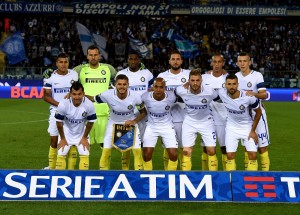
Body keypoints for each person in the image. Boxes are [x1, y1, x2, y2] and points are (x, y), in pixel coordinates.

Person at [87, 74, 146, 170]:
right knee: (106, 151)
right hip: (113, 124)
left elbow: (144, 112)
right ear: (115, 85)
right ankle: (104, 176)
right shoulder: (107, 94)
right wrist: (75, 95)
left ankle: (138, 178)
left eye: (124, 84)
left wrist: (134, 121)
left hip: (130, 124)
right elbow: (91, 98)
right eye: (119, 84)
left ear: (128, 85)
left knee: (137, 151)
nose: (122, 87)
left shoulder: (136, 97)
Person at [73, 45, 117, 149]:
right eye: (90, 55)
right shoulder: (80, 70)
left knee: (105, 145)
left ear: (99, 56)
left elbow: (119, 82)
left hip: (104, 113)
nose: (93, 57)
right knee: (84, 145)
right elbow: (69, 81)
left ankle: (104, 166)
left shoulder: (108, 69)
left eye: (95, 55)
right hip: (85, 113)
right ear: (87, 56)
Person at [116, 50, 153, 170]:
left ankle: (143, 171)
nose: (133, 61)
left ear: (139, 60)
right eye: (130, 59)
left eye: (135, 59)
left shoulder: (147, 74)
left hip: (144, 114)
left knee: (144, 144)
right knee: (124, 145)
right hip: (126, 115)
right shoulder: (121, 74)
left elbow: (152, 88)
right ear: (127, 60)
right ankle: (125, 172)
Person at [175, 69, 218, 171]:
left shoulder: (210, 91)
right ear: (188, 81)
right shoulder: (181, 90)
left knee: (211, 151)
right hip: (189, 122)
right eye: (192, 80)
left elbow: (220, 98)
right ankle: (186, 178)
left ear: (201, 80)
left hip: (206, 122)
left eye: (197, 80)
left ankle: (214, 177)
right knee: (186, 152)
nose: (195, 83)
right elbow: (174, 92)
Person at [217, 74, 262, 171]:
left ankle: (251, 181)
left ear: (238, 85)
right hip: (231, 128)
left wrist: (253, 131)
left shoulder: (248, 97)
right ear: (225, 85)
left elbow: (259, 112)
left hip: (247, 128)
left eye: (234, 84)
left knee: (253, 155)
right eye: (229, 84)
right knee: (230, 155)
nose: (231, 86)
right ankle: (231, 181)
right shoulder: (221, 93)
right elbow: (206, 91)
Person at [235, 52, 270, 171]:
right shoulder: (235, 77)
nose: (242, 63)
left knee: (262, 148)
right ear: (237, 63)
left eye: (245, 61)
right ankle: (248, 177)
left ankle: (266, 176)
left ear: (249, 62)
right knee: (248, 148)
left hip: (257, 114)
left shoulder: (257, 75)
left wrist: (254, 94)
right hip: (243, 117)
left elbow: (264, 94)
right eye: (240, 61)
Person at [43, 53, 78, 170]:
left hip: (73, 112)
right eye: (61, 62)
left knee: (72, 141)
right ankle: (52, 167)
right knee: (53, 140)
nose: (63, 64)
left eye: (66, 62)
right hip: (56, 111)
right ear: (57, 63)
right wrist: (61, 105)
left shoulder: (74, 75)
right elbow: (46, 96)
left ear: (68, 63)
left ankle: (71, 169)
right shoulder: (50, 77)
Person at [157, 50, 190, 170]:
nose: (175, 62)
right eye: (173, 59)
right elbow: (158, 95)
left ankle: (185, 174)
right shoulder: (162, 76)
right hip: (167, 118)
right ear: (169, 61)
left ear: (181, 61)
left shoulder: (188, 75)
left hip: (184, 117)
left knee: (184, 147)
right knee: (168, 148)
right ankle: (169, 174)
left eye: (178, 59)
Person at [55, 81, 96, 170]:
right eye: (74, 94)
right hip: (66, 133)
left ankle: (83, 180)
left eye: (79, 94)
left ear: (83, 94)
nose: (77, 97)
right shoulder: (63, 104)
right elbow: (59, 123)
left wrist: (84, 137)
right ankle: (60, 181)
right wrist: (62, 139)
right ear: (70, 94)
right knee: (61, 155)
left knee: (85, 154)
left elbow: (91, 122)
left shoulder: (89, 104)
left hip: (81, 133)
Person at [141, 77, 178, 171]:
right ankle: (147, 177)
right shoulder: (145, 96)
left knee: (173, 155)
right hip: (151, 127)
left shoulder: (171, 97)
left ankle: (171, 177)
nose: (158, 90)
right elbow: (137, 105)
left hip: (167, 127)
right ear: (153, 87)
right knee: (146, 155)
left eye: (161, 87)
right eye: (156, 87)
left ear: (165, 88)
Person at [201, 54, 228, 170]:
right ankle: (206, 173)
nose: (217, 65)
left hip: (223, 118)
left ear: (223, 63)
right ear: (211, 63)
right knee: (206, 148)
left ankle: (228, 173)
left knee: (224, 148)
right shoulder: (204, 78)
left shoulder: (228, 79)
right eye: (214, 62)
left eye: (219, 62)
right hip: (207, 119)